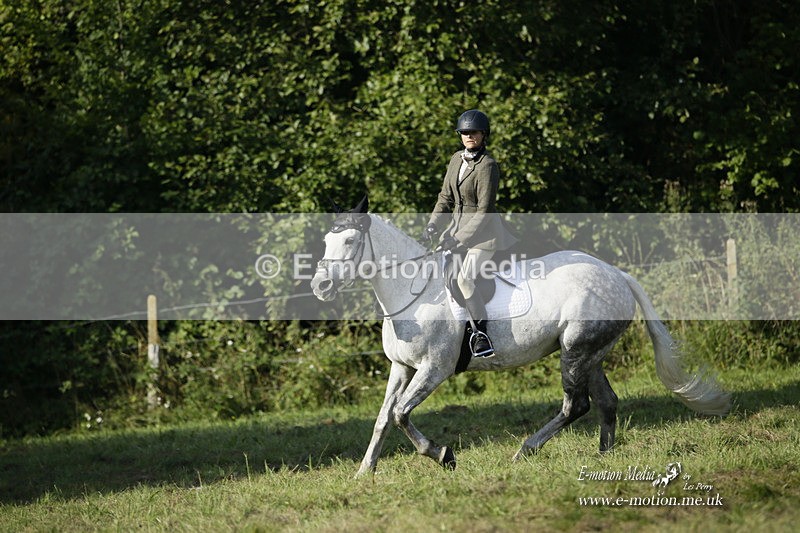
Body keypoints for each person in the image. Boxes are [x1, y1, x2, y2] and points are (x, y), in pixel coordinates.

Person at [421, 109, 518, 357]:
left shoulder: (488, 166)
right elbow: (445, 197)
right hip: (455, 231)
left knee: (464, 278)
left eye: (473, 132)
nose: (469, 136)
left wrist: (459, 239)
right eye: (464, 132)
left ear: (483, 135)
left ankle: (480, 335)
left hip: (484, 236)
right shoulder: (456, 159)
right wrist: (433, 225)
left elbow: (484, 210)